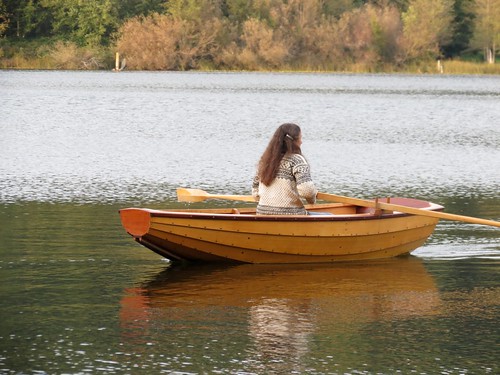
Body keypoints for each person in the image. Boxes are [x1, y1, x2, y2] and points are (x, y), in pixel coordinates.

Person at [252, 123, 318, 215]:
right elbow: (307, 191)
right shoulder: (297, 160)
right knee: (330, 217)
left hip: (262, 213)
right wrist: (312, 200)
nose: (301, 142)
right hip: (291, 215)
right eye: (300, 138)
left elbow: (255, 192)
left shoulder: (266, 160)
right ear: (294, 141)